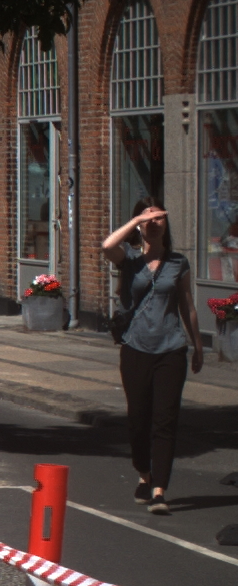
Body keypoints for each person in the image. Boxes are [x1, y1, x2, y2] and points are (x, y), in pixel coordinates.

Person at [102, 197, 204, 515]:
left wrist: (198, 346)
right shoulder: (129, 260)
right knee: (138, 420)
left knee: (165, 420)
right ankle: (144, 474)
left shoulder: (178, 263)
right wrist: (137, 220)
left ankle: (159, 490)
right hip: (135, 348)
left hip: (171, 349)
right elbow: (107, 245)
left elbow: (187, 305)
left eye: (159, 218)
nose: (154, 224)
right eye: (148, 219)